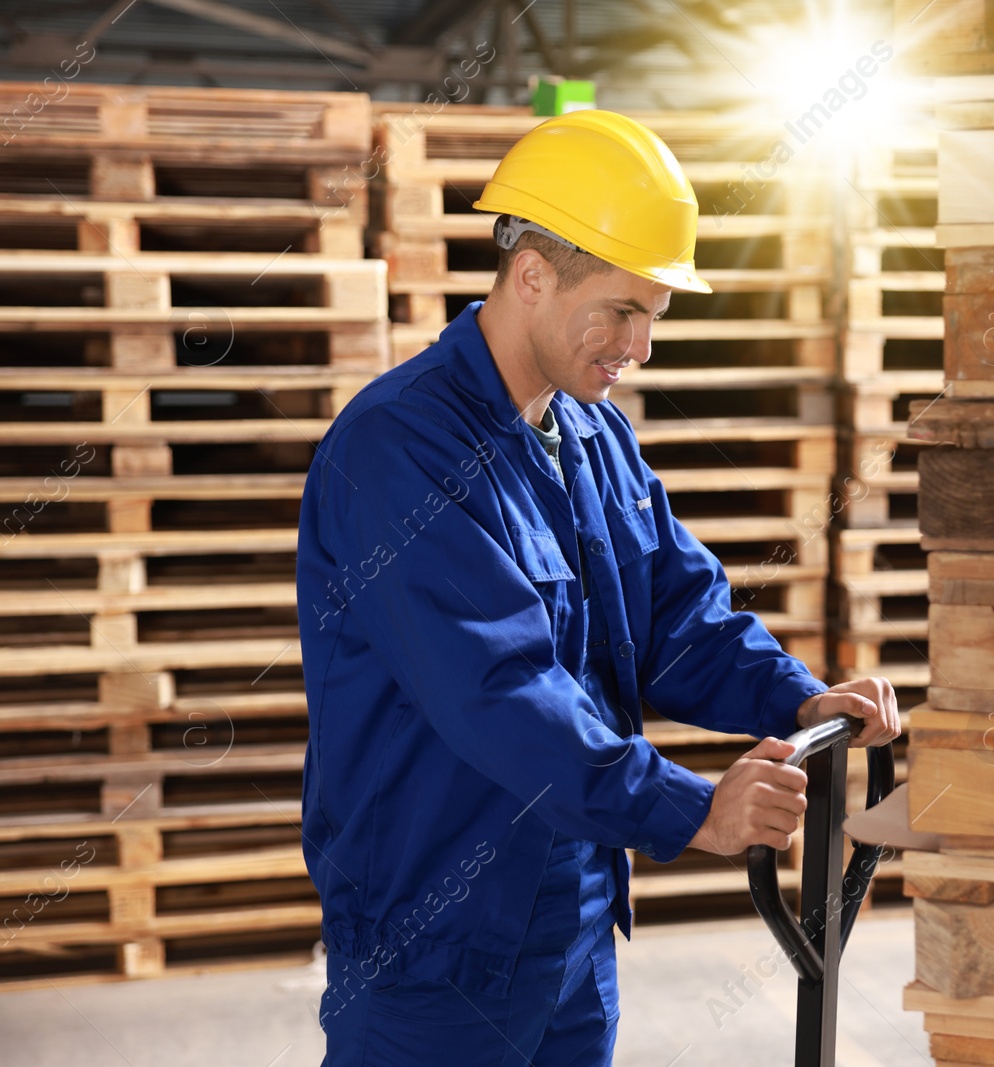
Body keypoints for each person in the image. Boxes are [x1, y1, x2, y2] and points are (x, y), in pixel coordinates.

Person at [295, 109, 899, 1066]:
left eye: (653, 316)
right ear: (532, 274)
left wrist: (798, 695)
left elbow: (677, 616)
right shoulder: (399, 451)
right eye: (620, 311)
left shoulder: (591, 436)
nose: (639, 347)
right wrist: (689, 809)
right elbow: (501, 692)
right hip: (434, 933)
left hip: (573, 910)